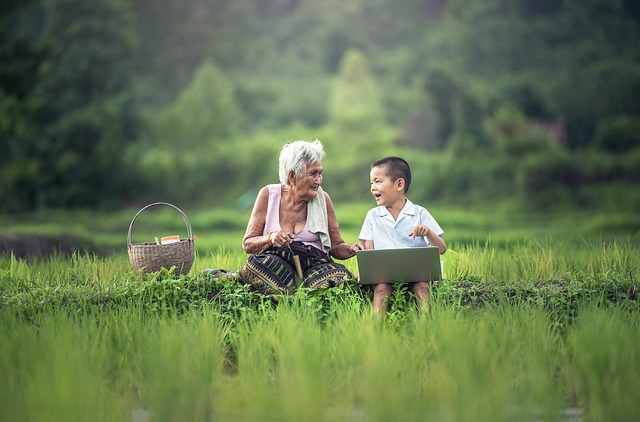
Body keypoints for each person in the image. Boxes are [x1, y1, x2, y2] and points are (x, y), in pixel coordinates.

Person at [239, 139, 362, 297]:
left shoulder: (323, 199)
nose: (319, 180)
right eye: (313, 174)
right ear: (292, 176)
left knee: (340, 277)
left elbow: (335, 246)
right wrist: (270, 238)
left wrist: (351, 249)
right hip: (277, 264)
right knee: (256, 266)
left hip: (313, 265)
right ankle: (295, 296)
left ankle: (291, 295)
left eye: (320, 173)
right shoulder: (268, 195)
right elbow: (248, 244)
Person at [357, 156, 446, 316]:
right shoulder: (373, 216)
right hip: (384, 274)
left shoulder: (419, 213)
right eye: (371, 183)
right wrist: (364, 270)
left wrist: (428, 232)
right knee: (381, 290)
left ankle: (426, 327)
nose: (373, 188)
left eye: (378, 182)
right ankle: (376, 330)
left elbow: (441, 248)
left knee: (422, 288)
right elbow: (368, 251)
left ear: (399, 184)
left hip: (417, 273)